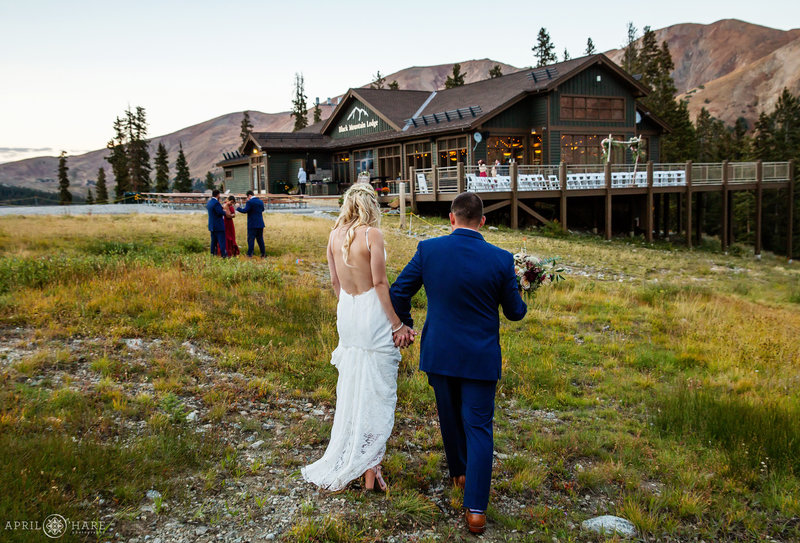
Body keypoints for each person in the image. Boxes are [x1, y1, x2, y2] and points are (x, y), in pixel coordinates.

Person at [390, 192, 527, 534]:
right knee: (478, 428)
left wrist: (404, 322)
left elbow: (398, 291)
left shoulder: (429, 250)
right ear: (482, 222)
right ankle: (476, 509)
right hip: (480, 358)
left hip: (440, 353)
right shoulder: (500, 259)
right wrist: (521, 287)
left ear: (451, 218)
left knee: (449, 418)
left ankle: (459, 473)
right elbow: (515, 313)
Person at [302, 183, 413, 492]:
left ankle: (366, 463)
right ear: (370, 206)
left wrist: (349, 309)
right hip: (372, 313)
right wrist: (396, 323)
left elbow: (336, 283)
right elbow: (380, 283)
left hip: (348, 312)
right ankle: (369, 467)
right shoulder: (370, 235)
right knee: (377, 390)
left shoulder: (333, 235)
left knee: (353, 387)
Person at [236, 190, 266, 258]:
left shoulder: (249, 202)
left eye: (247, 197)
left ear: (249, 195)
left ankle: (250, 254)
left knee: (251, 239)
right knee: (260, 239)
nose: (247, 199)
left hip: (252, 224)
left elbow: (245, 211)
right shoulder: (260, 201)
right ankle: (263, 253)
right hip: (260, 223)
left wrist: (238, 208)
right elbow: (262, 209)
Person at [206, 189, 227, 258]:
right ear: (218, 195)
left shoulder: (209, 202)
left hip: (212, 225)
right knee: (221, 241)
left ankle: (212, 254)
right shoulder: (216, 203)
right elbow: (219, 212)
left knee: (213, 241)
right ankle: (223, 255)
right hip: (218, 225)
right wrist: (224, 211)